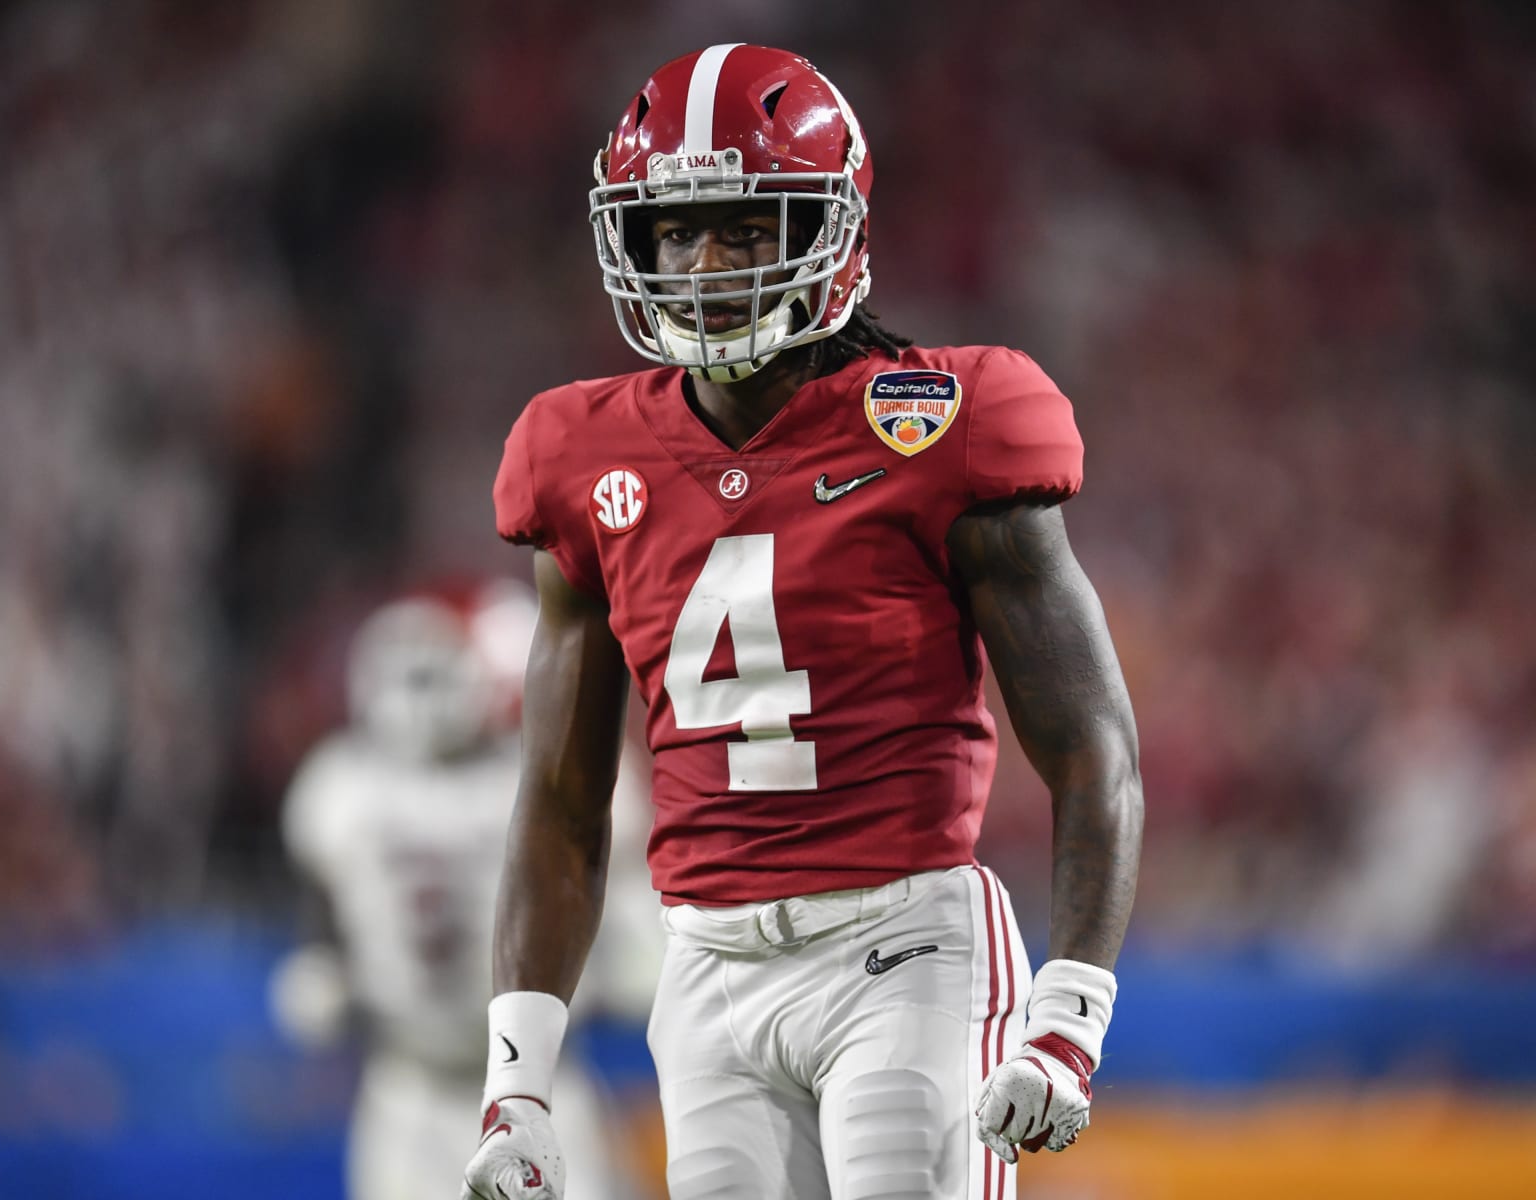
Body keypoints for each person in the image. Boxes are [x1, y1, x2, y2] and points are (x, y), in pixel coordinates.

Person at [464, 43, 1143, 1200]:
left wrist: (1069, 1008)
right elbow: (564, 802)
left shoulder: (940, 423)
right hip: (707, 964)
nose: (705, 264)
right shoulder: (582, 456)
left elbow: (1093, 753)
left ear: (831, 231)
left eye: (745, 226)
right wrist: (516, 1082)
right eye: (677, 232)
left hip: (906, 948)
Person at [272, 587, 654, 1200]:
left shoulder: (537, 778)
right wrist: (324, 969)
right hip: (409, 1086)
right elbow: (322, 913)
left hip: (539, 1083)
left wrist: (630, 963)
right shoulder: (342, 786)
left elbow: (624, 903)